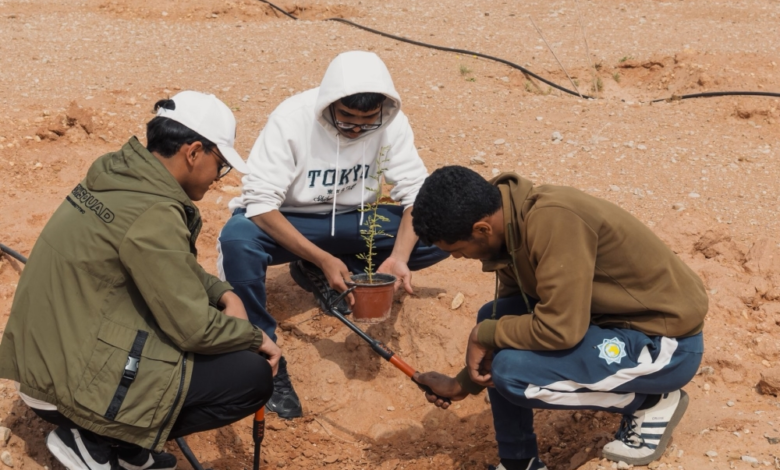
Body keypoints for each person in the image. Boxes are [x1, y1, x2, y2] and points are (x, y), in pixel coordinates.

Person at [0, 91, 281, 470]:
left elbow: (169, 265)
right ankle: (97, 440)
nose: (218, 178)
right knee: (250, 375)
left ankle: (127, 447)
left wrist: (223, 291)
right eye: (221, 165)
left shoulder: (122, 177)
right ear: (194, 152)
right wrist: (254, 337)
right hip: (63, 391)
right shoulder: (155, 211)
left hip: (42, 367)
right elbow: (194, 329)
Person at [411, 166, 708, 470]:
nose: (460, 258)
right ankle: (519, 462)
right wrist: (462, 384)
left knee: (510, 372)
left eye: (458, 250)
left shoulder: (554, 220)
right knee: (495, 317)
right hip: (614, 326)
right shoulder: (509, 224)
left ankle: (652, 401)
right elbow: (511, 319)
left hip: (665, 346)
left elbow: (560, 329)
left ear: (482, 229)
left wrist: (482, 335)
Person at [218, 50, 449, 419]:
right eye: (347, 120)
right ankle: (265, 359)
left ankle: (323, 271)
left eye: (367, 122)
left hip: (355, 220)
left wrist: (400, 257)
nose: (357, 130)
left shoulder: (392, 123)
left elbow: (417, 195)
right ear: (329, 106)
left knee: (443, 229)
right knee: (238, 239)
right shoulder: (291, 119)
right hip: (293, 220)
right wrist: (321, 256)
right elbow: (260, 203)